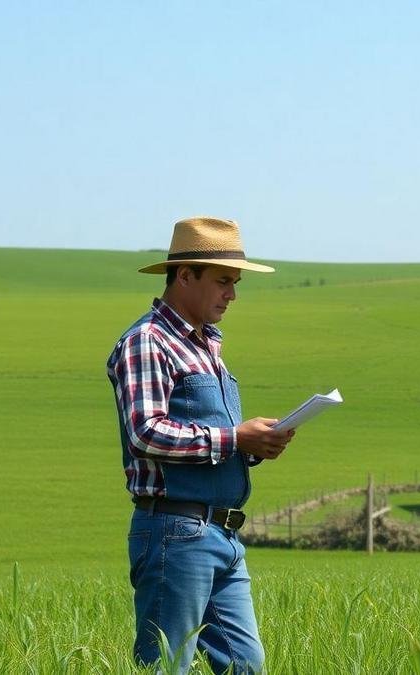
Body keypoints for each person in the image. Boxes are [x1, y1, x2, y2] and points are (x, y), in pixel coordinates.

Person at [107, 217, 295, 673]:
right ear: (186, 276)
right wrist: (235, 437)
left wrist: (253, 445)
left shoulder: (207, 346)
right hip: (175, 530)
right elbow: (145, 432)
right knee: (167, 665)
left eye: (235, 283)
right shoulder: (148, 342)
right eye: (223, 281)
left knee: (245, 665)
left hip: (223, 533)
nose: (232, 294)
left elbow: (207, 431)